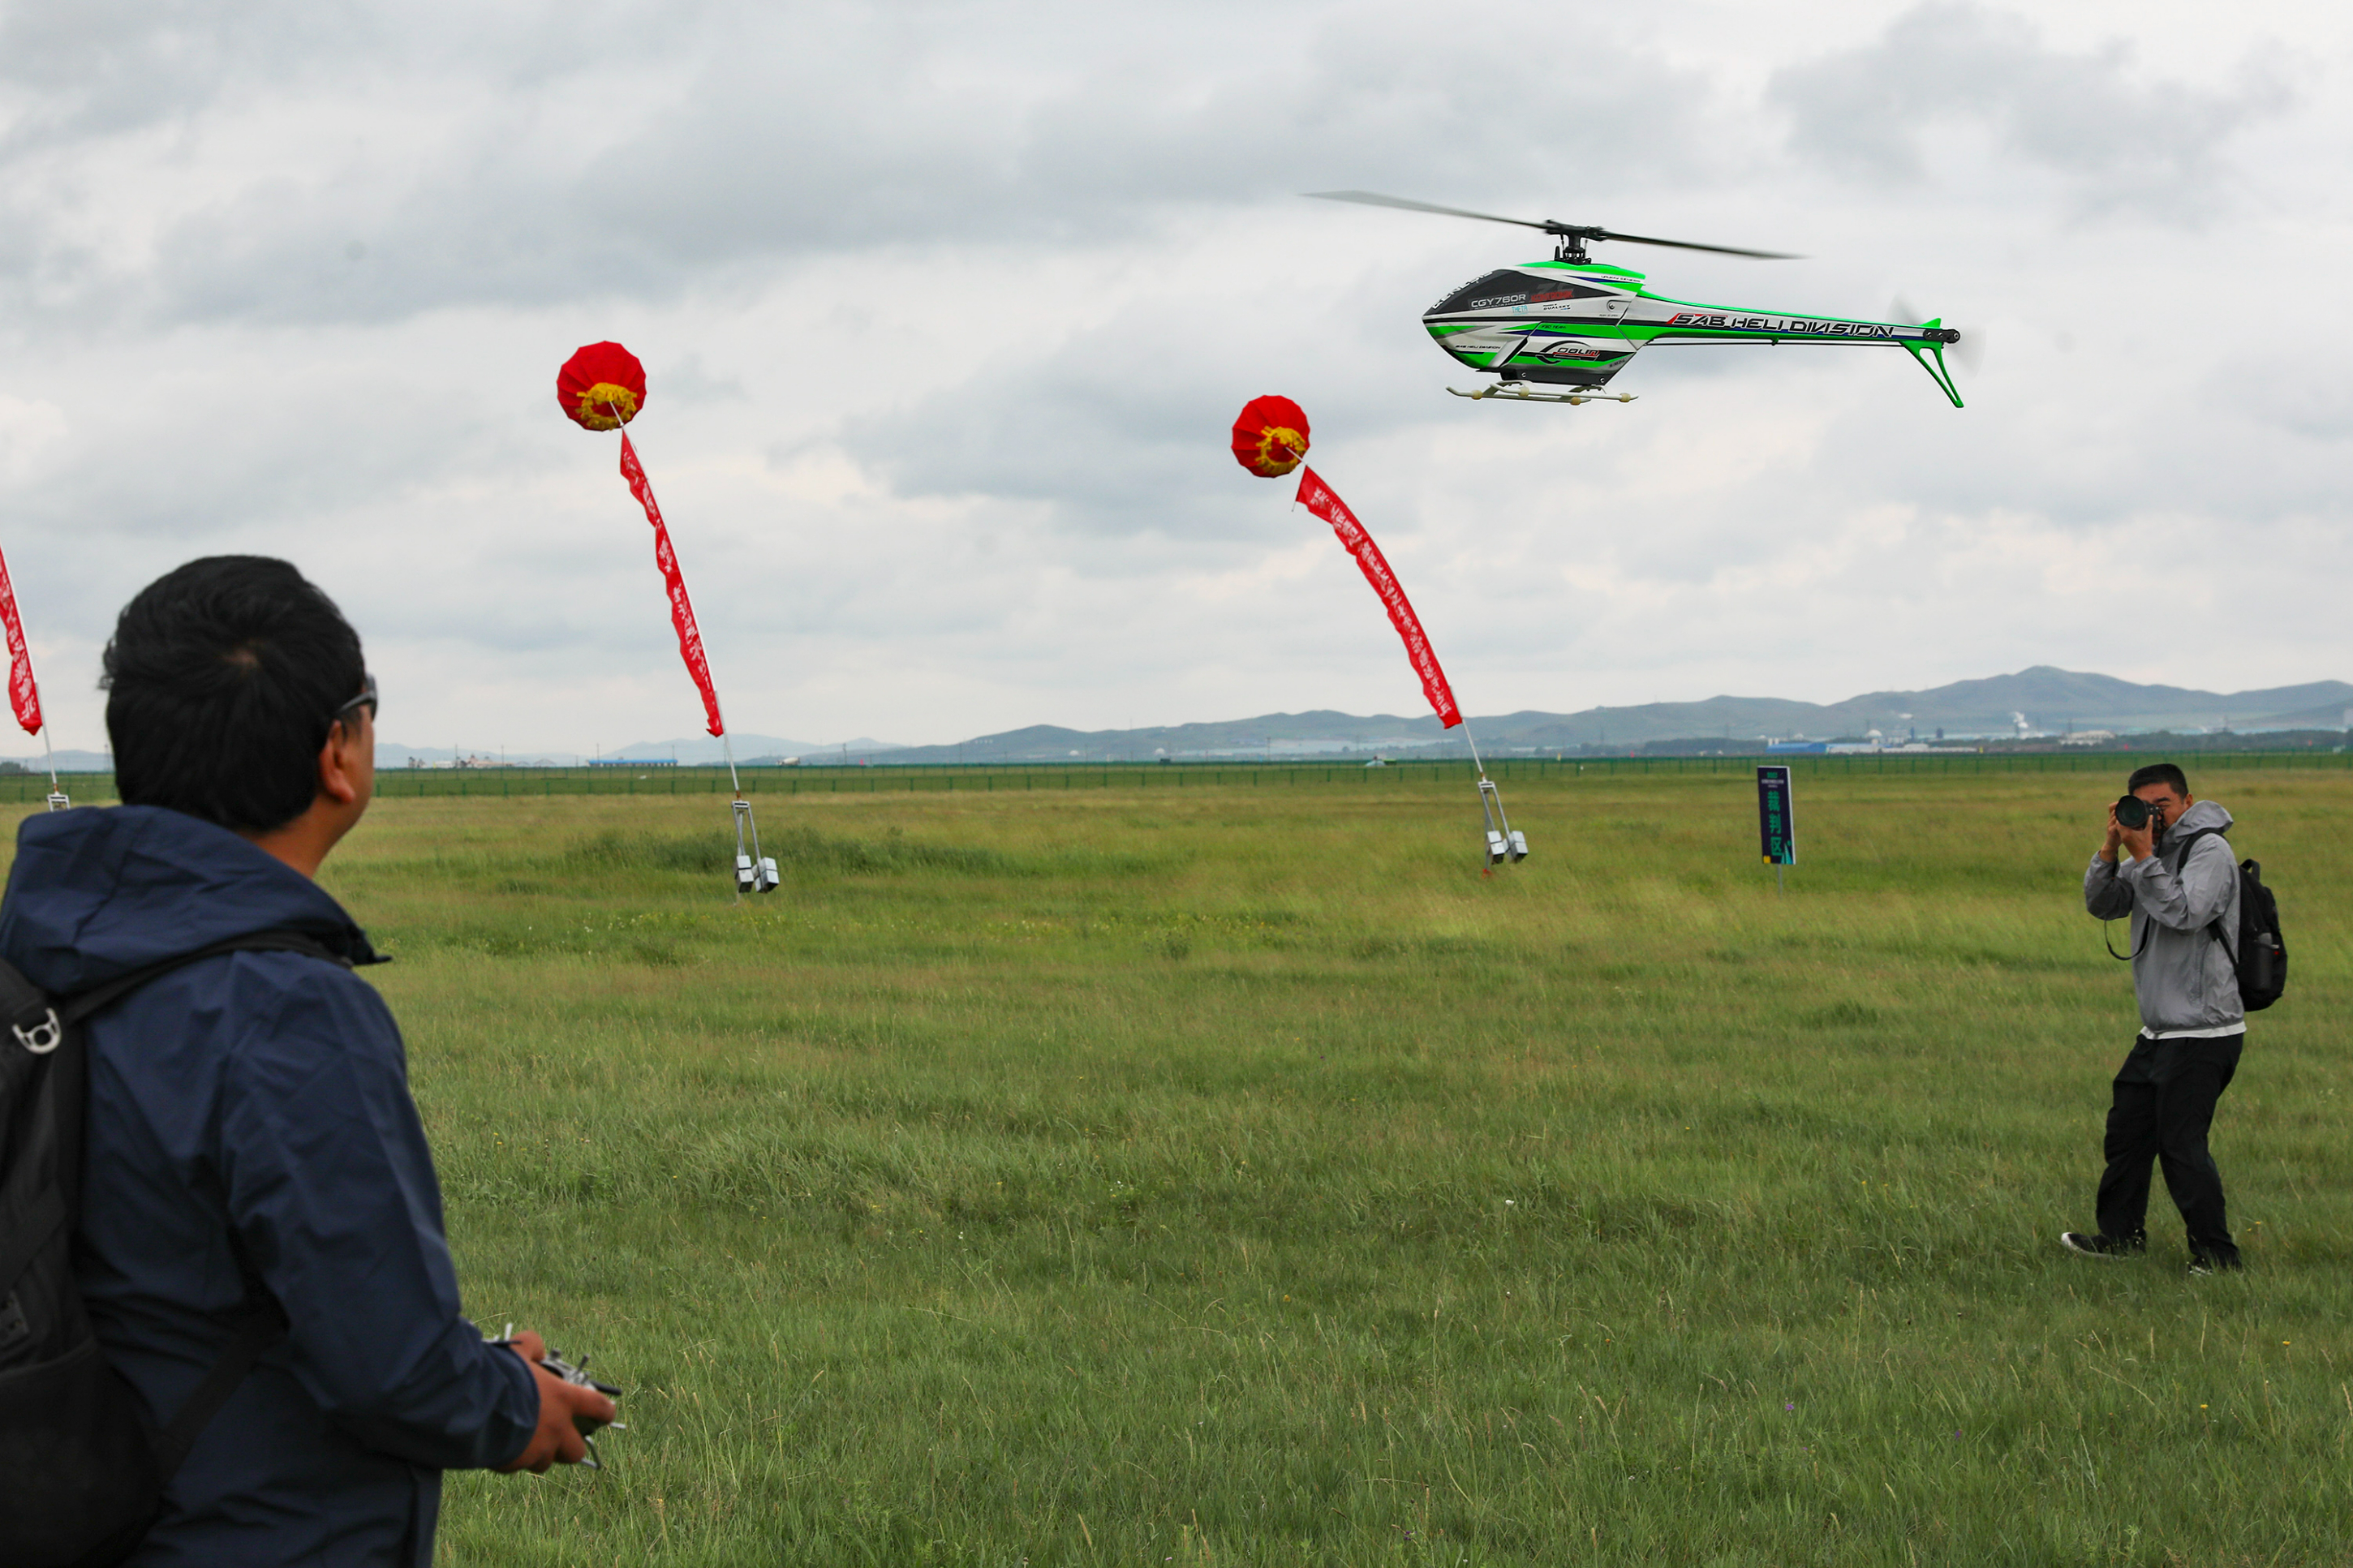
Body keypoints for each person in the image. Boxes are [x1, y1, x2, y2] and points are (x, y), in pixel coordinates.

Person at [0, 556, 613, 1565]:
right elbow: (392, 1366)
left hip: (82, 1507)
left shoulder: (46, 950)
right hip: (257, 1529)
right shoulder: (287, 1010)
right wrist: (511, 1402)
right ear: (339, 751)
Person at [2064, 762, 2245, 1274]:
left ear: (2188, 801)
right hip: (2159, 1030)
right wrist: (2110, 850)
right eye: (2144, 805)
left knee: (2181, 1145)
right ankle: (2121, 1238)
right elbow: (2103, 905)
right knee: (2127, 1134)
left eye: (2162, 804)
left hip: (2205, 1030)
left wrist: (2143, 856)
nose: (2154, 814)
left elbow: (2186, 913)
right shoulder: (2151, 852)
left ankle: (2218, 1257)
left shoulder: (2211, 850)